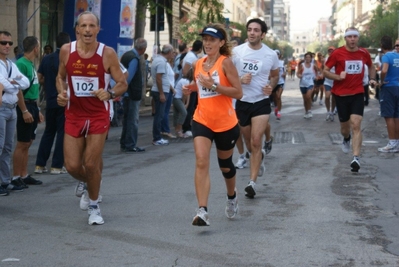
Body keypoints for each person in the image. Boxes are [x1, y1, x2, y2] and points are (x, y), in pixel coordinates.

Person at [56, 11, 127, 225]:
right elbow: (60, 77)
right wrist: (61, 92)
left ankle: (94, 207)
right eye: (83, 26)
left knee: (90, 163)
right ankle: (91, 182)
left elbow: (122, 82)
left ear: (98, 29)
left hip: (98, 114)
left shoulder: (107, 53)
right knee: (72, 166)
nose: (87, 30)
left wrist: (111, 93)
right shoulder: (67, 51)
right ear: (77, 29)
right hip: (74, 113)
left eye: (92, 26)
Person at [183, 23, 242, 226]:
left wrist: (214, 85)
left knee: (225, 166)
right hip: (202, 120)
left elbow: (238, 92)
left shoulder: (226, 63)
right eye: (205, 39)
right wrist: (191, 88)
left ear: (221, 42)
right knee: (201, 161)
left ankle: (232, 196)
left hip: (225, 123)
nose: (208, 43)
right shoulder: (199, 64)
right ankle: (202, 210)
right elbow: (201, 88)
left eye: (212, 40)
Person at [232, 18, 279, 198]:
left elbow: (275, 75)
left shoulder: (270, 54)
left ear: (263, 34)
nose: (252, 32)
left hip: (260, 101)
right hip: (242, 102)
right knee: (249, 143)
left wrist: (271, 86)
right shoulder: (236, 52)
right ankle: (258, 159)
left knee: (257, 140)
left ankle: (252, 183)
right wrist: (239, 80)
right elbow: (227, 75)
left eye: (256, 30)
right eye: (250, 29)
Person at [323, 26, 376, 172]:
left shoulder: (363, 52)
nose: (352, 39)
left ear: (357, 38)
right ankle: (346, 138)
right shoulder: (337, 53)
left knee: (356, 124)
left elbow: (371, 66)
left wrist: (372, 79)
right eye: (349, 36)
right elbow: (325, 71)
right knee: (345, 128)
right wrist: (337, 77)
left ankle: (356, 158)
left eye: (355, 36)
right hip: (341, 95)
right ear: (345, 38)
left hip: (358, 93)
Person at [34, 32, 70, 175]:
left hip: (50, 100)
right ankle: (57, 165)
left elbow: (40, 77)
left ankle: (40, 164)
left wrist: (49, 84)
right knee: (62, 133)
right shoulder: (68, 58)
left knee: (48, 132)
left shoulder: (47, 58)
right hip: (63, 100)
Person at [0, 31, 30, 196]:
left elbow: (25, 82)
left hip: (12, 109)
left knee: (7, 147)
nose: (7, 46)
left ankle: (5, 181)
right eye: (3, 43)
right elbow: (4, 84)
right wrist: (14, 83)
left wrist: (13, 83)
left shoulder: (11, 64)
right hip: (1, 107)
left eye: (10, 43)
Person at [12, 36, 44, 189]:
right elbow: (18, 90)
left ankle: (24, 174)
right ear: (36, 48)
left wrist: (37, 110)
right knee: (22, 142)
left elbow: (33, 88)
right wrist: (24, 110)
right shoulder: (21, 64)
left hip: (32, 105)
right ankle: (16, 176)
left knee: (28, 142)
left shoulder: (30, 64)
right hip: (24, 106)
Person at [119, 37, 147, 153]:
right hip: (132, 94)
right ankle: (130, 144)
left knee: (127, 119)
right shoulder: (134, 59)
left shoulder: (126, 55)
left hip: (126, 94)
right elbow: (128, 78)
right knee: (132, 120)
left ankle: (125, 143)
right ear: (143, 49)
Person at [378, 35, 399, 153]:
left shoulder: (386, 56)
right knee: (396, 116)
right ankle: (397, 142)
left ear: (382, 45)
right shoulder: (397, 55)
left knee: (388, 116)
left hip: (389, 87)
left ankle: (392, 143)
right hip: (398, 86)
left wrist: (381, 81)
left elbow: (384, 70)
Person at [150, 44, 174, 145]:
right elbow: (159, 78)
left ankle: (157, 137)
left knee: (159, 115)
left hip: (160, 90)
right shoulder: (161, 62)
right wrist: (161, 93)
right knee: (159, 116)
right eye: (172, 53)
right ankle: (157, 138)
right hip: (161, 91)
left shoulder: (158, 60)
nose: (173, 55)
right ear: (168, 52)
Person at [181, 40, 203, 137]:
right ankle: (186, 127)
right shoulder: (191, 57)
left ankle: (189, 126)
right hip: (190, 83)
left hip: (192, 83)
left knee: (192, 106)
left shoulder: (191, 56)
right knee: (189, 106)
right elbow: (185, 71)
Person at [297, 52, 316, 119]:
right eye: (306, 57)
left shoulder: (313, 65)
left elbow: (319, 71)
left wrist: (318, 76)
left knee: (308, 96)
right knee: (305, 99)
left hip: (310, 83)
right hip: (302, 84)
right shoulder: (302, 65)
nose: (308, 59)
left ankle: (309, 110)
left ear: (311, 58)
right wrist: (299, 76)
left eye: (309, 57)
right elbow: (298, 73)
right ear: (305, 58)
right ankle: (306, 111)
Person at [272, 49, 286, 120]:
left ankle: (279, 112)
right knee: (274, 97)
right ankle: (276, 107)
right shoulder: (271, 63)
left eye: (277, 54)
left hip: (281, 82)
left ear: (279, 55)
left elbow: (285, 71)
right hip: (274, 82)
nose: (276, 55)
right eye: (275, 54)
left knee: (278, 96)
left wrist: (284, 74)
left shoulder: (282, 63)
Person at [324, 46, 336, 122]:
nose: (330, 52)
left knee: (334, 98)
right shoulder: (325, 60)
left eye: (332, 51)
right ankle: (328, 111)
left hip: (336, 82)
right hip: (327, 81)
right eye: (329, 51)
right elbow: (323, 69)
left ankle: (332, 111)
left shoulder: (338, 59)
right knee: (327, 96)